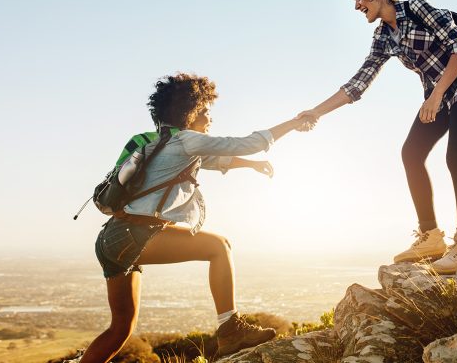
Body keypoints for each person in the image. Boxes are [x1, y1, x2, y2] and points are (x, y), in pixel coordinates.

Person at [81, 73, 309, 363]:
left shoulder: (159, 143)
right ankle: (230, 328)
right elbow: (247, 142)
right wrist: (293, 123)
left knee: (120, 329)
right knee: (219, 246)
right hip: (135, 236)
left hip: (111, 239)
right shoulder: (188, 141)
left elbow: (218, 160)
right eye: (205, 111)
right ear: (190, 113)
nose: (210, 118)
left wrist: (252, 165)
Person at [297, 0, 457, 274]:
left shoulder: (416, 8)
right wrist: (316, 112)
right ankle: (430, 236)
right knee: (411, 153)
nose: (357, 5)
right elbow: (358, 84)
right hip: (438, 96)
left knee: (456, 158)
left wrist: (437, 94)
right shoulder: (383, 37)